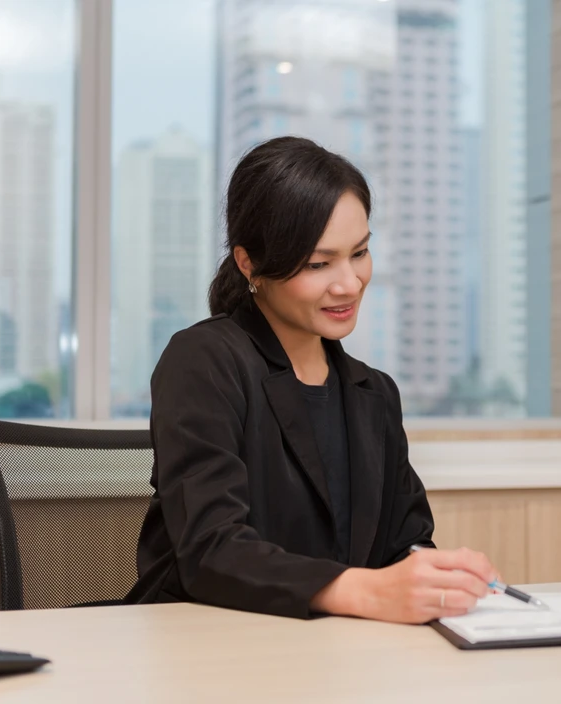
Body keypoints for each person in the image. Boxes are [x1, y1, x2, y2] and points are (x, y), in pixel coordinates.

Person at [126, 136, 498, 623]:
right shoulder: (204, 360)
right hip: (209, 645)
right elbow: (211, 549)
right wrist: (366, 592)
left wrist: (435, 576)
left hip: (337, 651)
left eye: (360, 253)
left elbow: (404, 542)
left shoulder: (374, 393)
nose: (349, 283)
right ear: (249, 264)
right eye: (319, 264)